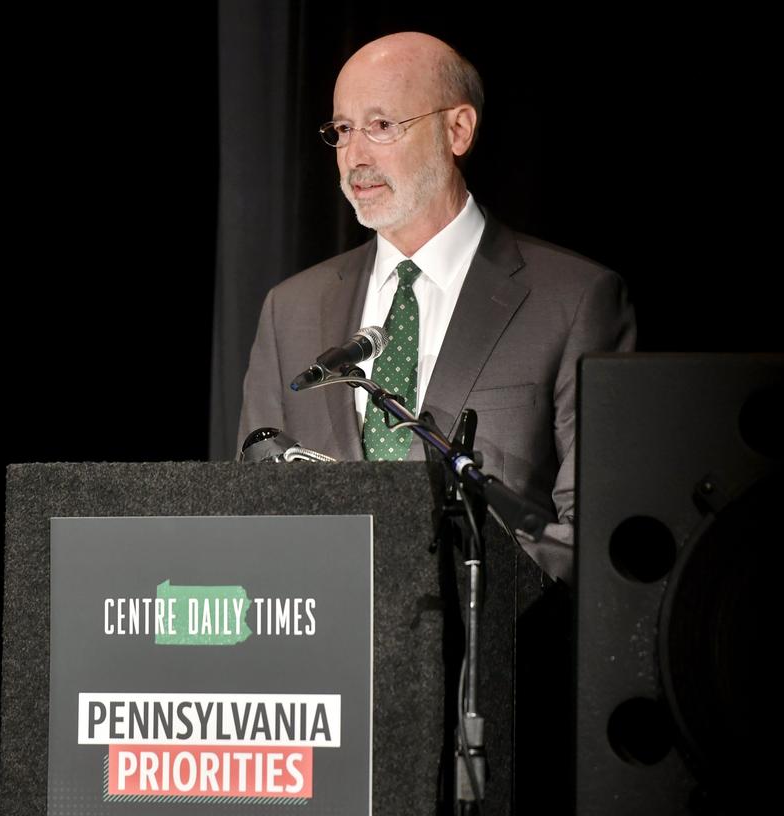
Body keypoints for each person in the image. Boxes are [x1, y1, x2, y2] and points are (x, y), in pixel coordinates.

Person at [236, 32, 636, 581]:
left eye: (382, 125)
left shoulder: (574, 300)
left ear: (457, 130)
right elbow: (254, 509)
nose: (355, 156)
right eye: (343, 130)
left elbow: (591, 533)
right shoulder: (291, 309)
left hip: (493, 628)